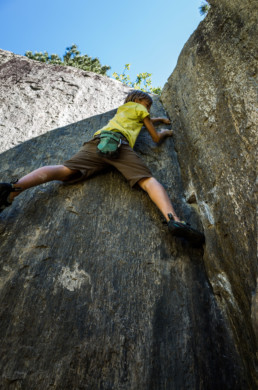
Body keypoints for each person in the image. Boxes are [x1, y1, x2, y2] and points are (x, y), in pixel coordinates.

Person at [0, 90, 204, 245]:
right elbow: (154, 136)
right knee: (148, 181)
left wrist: (156, 119)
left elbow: (143, 122)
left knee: (64, 170)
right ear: (138, 101)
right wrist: (166, 132)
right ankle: (174, 220)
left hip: (98, 142)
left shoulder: (123, 111)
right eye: (147, 104)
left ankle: (13, 189)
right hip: (120, 145)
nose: (149, 109)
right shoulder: (141, 111)